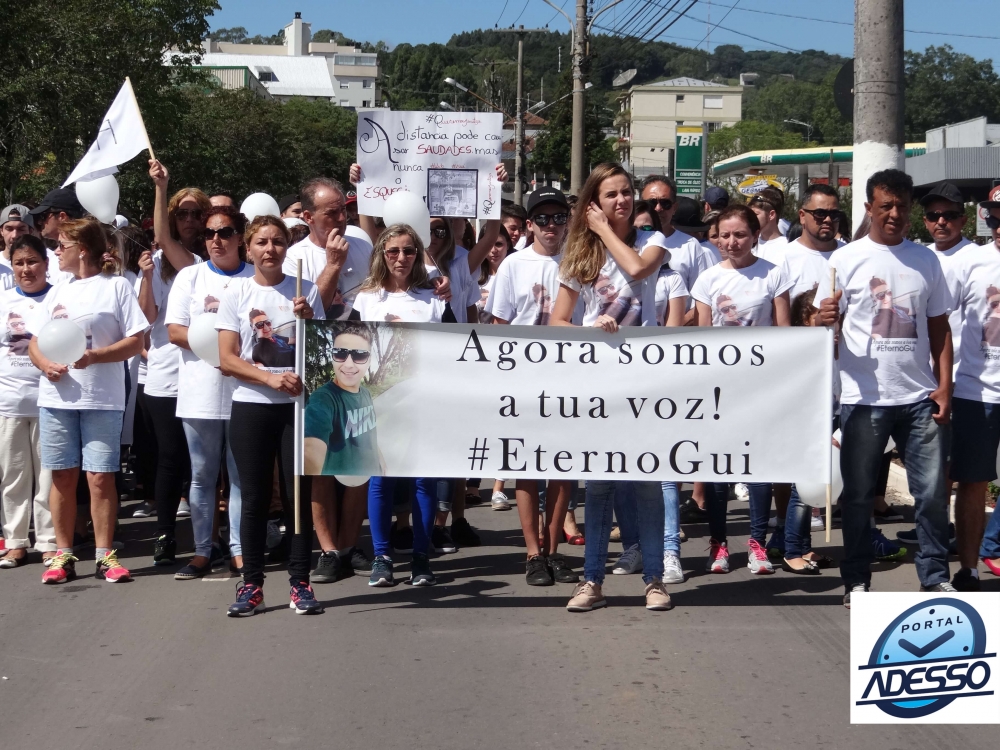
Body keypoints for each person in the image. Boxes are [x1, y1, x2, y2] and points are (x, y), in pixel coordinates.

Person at [816, 169, 955, 607]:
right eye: (885, 206)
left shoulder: (926, 260)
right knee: (857, 497)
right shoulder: (844, 260)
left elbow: (939, 328)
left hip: (919, 398)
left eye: (901, 207)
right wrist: (825, 319)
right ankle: (856, 580)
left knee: (931, 495)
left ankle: (934, 578)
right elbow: (823, 328)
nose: (894, 215)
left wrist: (945, 385)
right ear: (869, 208)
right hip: (862, 399)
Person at [551, 162, 672, 613]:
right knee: (598, 486)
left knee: (646, 484)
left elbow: (638, 271)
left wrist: (602, 231)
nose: (621, 201)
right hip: (596, 383)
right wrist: (589, 329)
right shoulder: (578, 259)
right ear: (594, 203)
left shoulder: (654, 242)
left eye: (626, 193)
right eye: (610, 195)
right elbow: (557, 322)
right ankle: (591, 581)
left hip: (645, 382)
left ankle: (655, 580)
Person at [28, 218, 148, 584]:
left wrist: (96, 356)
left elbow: (137, 341)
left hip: (102, 397)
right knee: (63, 476)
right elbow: (35, 340)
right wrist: (44, 363)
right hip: (57, 398)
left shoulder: (116, 288)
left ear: (82, 249)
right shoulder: (58, 290)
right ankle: (63, 555)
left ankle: (104, 555)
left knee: (99, 478)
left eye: (60, 245)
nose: (55, 252)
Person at [217, 215, 325, 616]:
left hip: (297, 410)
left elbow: (321, 356)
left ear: (287, 248)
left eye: (278, 242)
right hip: (251, 407)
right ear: (249, 248)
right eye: (261, 242)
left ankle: (300, 583)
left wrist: (311, 322)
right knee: (254, 498)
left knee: (298, 498)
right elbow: (227, 359)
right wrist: (269, 380)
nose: (270, 249)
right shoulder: (236, 294)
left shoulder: (307, 291)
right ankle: (252, 585)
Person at [486, 187, 581, 586]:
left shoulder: (581, 263)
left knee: (563, 468)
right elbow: (500, 326)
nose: (551, 226)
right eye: (542, 219)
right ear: (530, 225)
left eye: (558, 218)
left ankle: (554, 547)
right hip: (525, 380)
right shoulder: (513, 264)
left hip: (571, 378)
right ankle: (532, 552)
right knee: (527, 467)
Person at [691, 204, 792, 575]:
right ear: (716, 237)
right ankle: (719, 544)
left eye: (740, 235)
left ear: (754, 236)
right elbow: (702, 337)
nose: (732, 242)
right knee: (717, 471)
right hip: (718, 389)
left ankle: (757, 544)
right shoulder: (707, 279)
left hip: (761, 387)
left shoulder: (773, 274)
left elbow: (783, 331)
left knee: (758, 467)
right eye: (725, 235)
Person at [353, 224, 445, 588]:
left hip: (425, 400)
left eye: (408, 251)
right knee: (381, 478)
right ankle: (382, 558)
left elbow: (451, 349)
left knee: (424, 480)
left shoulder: (433, 299)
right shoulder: (366, 299)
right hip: (379, 400)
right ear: (381, 255)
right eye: (393, 251)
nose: (401, 258)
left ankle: (422, 558)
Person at [164, 205, 252, 579]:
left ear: (240, 238)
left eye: (225, 232)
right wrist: (222, 350)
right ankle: (202, 551)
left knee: (238, 476)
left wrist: (233, 356)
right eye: (210, 233)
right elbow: (175, 331)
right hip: (199, 391)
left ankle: (238, 550)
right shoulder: (190, 277)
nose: (216, 239)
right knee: (201, 475)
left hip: (244, 392)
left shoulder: (254, 278)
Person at [946, 191, 1000, 591]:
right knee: (973, 482)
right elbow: (937, 320)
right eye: (995, 219)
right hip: (975, 392)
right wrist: (942, 381)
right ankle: (969, 569)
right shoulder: (971, 261)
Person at [0, 236, 57, 567]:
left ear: (46, 264)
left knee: (48, 477)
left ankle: (49, 541)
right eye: (19, 263)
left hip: (48, 401)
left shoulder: (58, 299)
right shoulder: (4, 301)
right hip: (8, 402)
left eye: (33, 261)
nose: (26, 269)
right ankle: (16, 540)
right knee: (13, 475)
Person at [639, 175, 710, 322]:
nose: (658, 209)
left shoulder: (690, 245)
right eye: (652, 203)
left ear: (674, 207)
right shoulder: (627, 242)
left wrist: (675, 326)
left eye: (665, 203)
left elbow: (702, 297)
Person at [748, 187, 789, 265]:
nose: (751, 218)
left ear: (771, 215)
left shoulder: (788, 247)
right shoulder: (749, 244)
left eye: (756, 214)